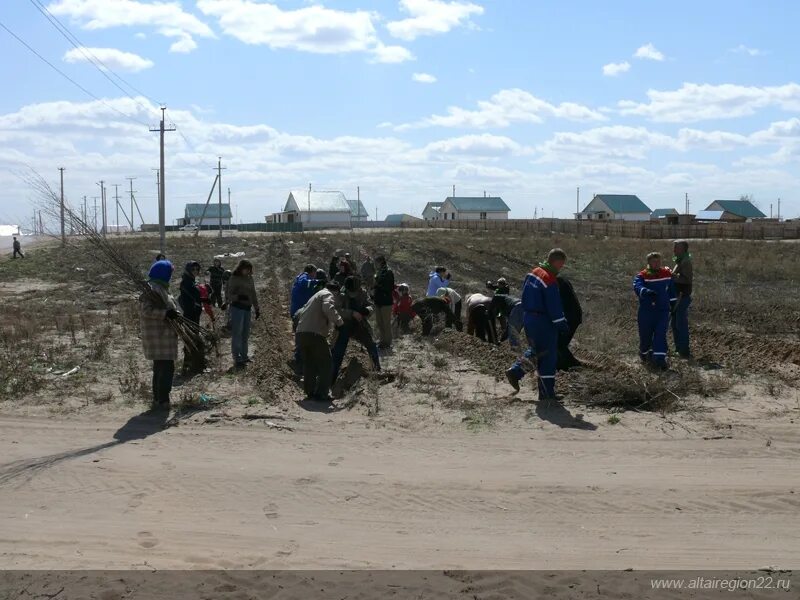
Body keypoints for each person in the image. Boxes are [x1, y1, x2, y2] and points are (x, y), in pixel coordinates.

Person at [506, 249, 570, 401]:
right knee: (548, 356)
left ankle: (515, 371)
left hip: (529, 317)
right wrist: (562, 325)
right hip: (543, 321)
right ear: (555, 262)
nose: (561, 268)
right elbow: (554, 307)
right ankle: (547, 394)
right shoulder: (549, 280)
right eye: (561, 265)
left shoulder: (533, 273)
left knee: (536, 350)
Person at [139, 260, 180, 409]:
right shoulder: (153, 290)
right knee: (165, 369)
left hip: (164, 336)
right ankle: (162, 400)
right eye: (169, 273)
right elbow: (146, 311)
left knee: (161, 368)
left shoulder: (161, 288)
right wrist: (166, 313)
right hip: (159, 336)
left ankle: (159, 399)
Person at [295, 281, 344, 402]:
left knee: (309, 363)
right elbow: (328, 307)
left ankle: (310, 392)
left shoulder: (315, 296)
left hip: (301, 333)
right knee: (326, 364)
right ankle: (322, 394)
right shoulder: (327, 294)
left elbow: (299, 313)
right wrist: (339, 322)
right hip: (314, 334)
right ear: (336, 291)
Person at [332, 276, 381, 381]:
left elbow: (371, 305)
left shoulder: (363, 293)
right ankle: (331, 377)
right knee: (338, 352)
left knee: (371, 345)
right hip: (344, 325)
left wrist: (366, 310)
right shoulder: (341, 294)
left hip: (359, 325)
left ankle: (377, 371)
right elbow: (336, 310)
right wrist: (351, 313)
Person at [633, 252, 677, 369]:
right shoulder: (642, 275)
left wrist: (673, 304)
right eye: (654, 261)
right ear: (649, 263)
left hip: (662, 311)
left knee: (660, 334)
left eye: (658, 261)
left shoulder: (666, 274)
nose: (657, 264)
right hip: (646, 312)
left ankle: (660, 360)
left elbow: (672, 290)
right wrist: (646, 291)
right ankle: (644, 353)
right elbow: (637, 286)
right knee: (645, 336)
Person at [228, 259, 261, 368]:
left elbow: (253, 293)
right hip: (237, 308)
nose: (247, 272)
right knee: (237, 333)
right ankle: (237, 358)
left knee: (245, 333)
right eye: (246, 269)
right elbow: (229, 295)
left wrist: (257, 308)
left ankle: (244, 356)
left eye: (249, 270)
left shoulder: (249, 278)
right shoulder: (234, 278)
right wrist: (239, 297)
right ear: (241, 268)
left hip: (247, 308)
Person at [290, 265, 321, 370]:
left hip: (302, 311)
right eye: (315, 273)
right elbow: (305, 283)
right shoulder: (304, 277)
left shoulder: (307, 281)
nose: (315, 276)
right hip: (299, 312)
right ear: (311, 272)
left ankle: (303, 359)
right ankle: (299, 362)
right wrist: (317, 281)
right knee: (301, 336)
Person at [178, 261, 205, 375]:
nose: (195, 271)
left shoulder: (192, 281)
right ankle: (189, 366)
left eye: (197, 269)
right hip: (190, 315)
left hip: (194, 314)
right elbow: (191, 298)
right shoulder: (186, 282)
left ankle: (192, 365)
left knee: (193, 338)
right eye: (193, 269)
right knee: (191, 340)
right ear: (189, 270)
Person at [671, 240, 693, 358]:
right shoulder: (679, 260)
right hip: (676, 296)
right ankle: (678, 348)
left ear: (684, 249)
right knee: (674, 323)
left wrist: (673, 277)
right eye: (674, 247)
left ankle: (684, 350)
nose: (674, 250)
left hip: (682, 297)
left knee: (680, 324)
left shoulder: (686, 262)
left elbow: (687, 280)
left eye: (676, 248)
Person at [556, 276, 583, 370]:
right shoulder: (562, 280)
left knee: (558, 343)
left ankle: (573, 364)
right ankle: (564, 364)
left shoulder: (557, 282)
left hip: (571, 317)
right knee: (560, 343)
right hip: (574, 315)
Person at [372, 255, 395, 349]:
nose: (375, 264)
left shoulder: (388, 272)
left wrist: (378, 285)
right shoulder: (379, 272)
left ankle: (387, 342)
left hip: (386, 301)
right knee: (379, 322)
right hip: (378, 301)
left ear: (381, 262)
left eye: (376, 262)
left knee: (386, 323)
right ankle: (382, 340)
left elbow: (389, 287)